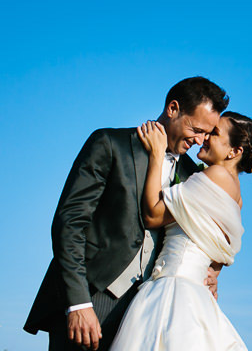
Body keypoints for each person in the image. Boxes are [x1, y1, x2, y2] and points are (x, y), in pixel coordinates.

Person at [24, 77, 229, 351]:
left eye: (208, 133)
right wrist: (79, 303)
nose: (200, 140)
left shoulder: (193, 175)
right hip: (91, 299)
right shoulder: (110, 144)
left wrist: (213, 270)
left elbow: (211, 230)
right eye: (196, 129)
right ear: (173, 109)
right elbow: (70, 224)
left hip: (147, 313)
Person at [109, 111, 252, 351]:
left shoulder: (215, 175)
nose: (203, 139)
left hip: (173, 289)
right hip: (196, 292)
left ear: (234, 152)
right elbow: (220, 251)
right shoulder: (237, 197)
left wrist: (156, 154)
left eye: (214, 133)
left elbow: (152, 214)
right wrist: (214, 273)